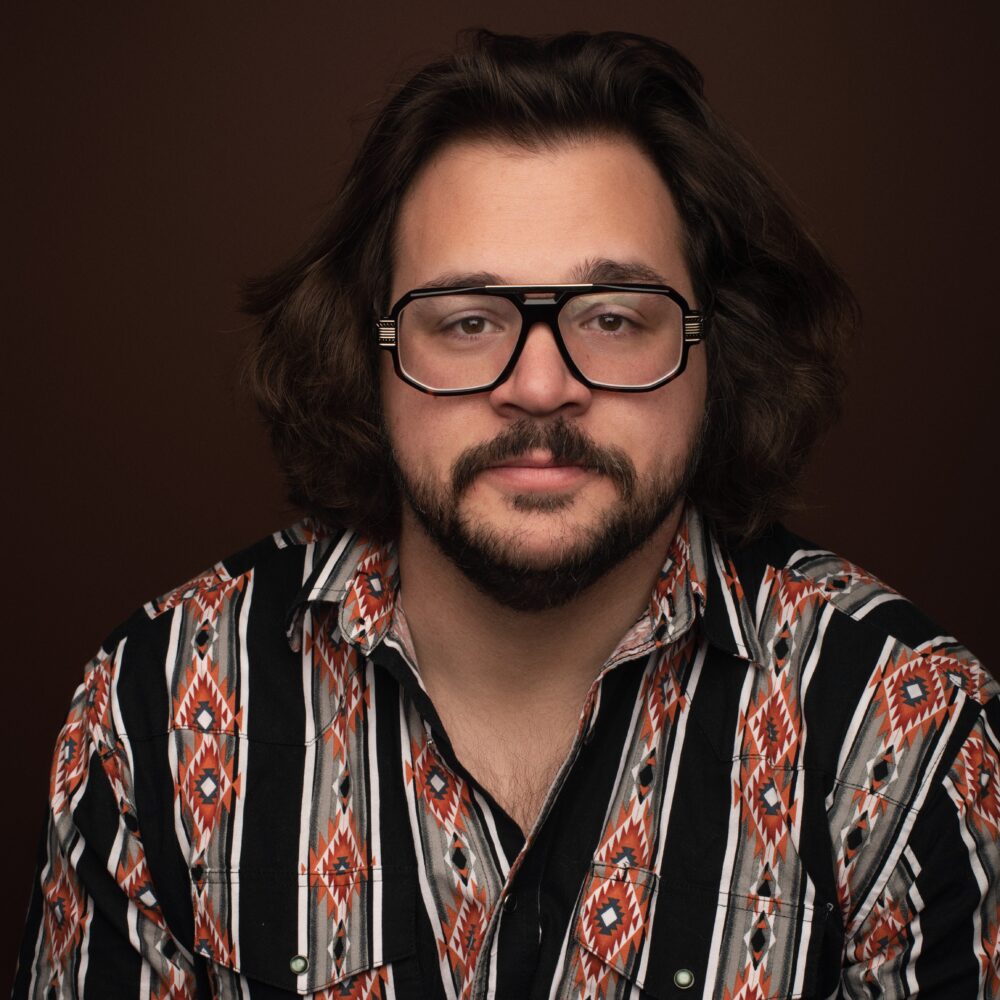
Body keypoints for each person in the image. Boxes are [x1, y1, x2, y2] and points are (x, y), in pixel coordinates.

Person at [14, 28, 996, 1000]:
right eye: (468, 321)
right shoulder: (158, 708)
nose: (538, 385)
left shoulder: (903, 730)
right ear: (373, 354)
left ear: (715, 353)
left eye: (612, 317)